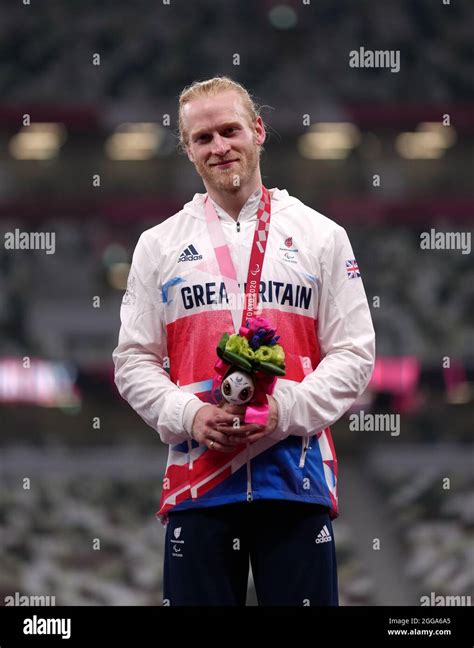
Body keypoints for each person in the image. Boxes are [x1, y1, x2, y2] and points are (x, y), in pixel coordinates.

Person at [112, 76, 376, 606]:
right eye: (203, 138)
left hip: (295, 479)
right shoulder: (157, 245)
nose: (219, 147)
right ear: (187, 149)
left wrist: (286, 407)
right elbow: (133, 361)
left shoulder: (322, 235)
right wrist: (190, 414)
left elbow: (354, 352)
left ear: (257, 131)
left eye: (230, 130)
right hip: (198, 484)